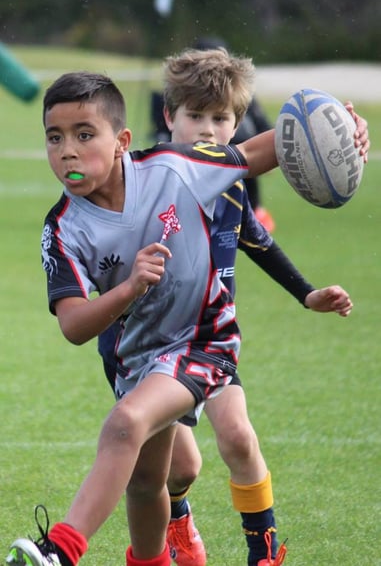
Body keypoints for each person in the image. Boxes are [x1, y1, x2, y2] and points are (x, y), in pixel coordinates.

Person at [6, 51, 369, 566]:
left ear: (122, 143)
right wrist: (129, 288)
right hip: (139, 358)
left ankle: (60, 551)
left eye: (85, 135)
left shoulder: (177, 169)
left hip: (205, 341)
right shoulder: (62, 228)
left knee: (126, 425)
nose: (67, 151)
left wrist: (339, 127)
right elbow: (73, 326)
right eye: (55, 137)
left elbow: (274, 147)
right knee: (148, 480)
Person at [150, 36, 276, 232]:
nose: (207, 130)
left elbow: (262, 248)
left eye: (219, 119)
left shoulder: (233, 187)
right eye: (195, 116)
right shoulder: (147, 177)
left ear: (236, 124)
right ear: (170, 116)